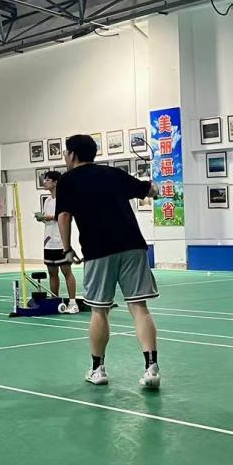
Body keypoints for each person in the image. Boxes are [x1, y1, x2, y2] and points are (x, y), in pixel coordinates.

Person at [56, 134, 161, 389]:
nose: (65, 157)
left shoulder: (67, 180)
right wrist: (153, 187)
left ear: (73, 155)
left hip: (98, 250)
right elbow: (150, 191)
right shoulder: (113, 173)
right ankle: (151, 368)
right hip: (133, 246)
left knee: (99, 310)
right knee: (139, 307)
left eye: (66, 153)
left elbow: (64, 216)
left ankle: (98, 369)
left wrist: (67, 249)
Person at [35, 171, 78, 313]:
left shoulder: (63, 199)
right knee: (52, 272)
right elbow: (49, 219)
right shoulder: (47, 201)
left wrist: (49, 217)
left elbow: (66, 217)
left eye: (47, 180)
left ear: (55, 183)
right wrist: (42, 218)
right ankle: (55, 300)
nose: (44, 182)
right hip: (48, 242)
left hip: (60, 241)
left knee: (66, 272)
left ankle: (73, 303)